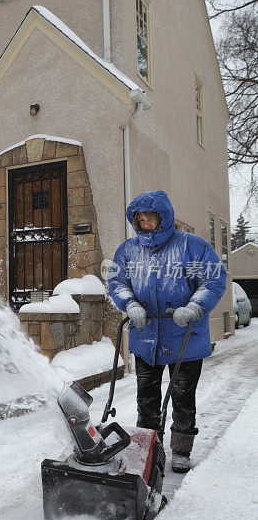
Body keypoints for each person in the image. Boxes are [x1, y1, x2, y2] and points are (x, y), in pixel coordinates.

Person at [107, 190, 226, 472]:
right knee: (146, 399)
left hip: (185, 336)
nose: (145, 224)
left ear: (164, 217)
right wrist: (130, 305)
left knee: (183, 396)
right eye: (140, 219)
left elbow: (212, 280)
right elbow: (118, 283)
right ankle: (149, 450)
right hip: (146, 335)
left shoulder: (191, 246)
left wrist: (195, 308)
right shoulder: (128, 250)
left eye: (150, 218)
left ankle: (181, 450)